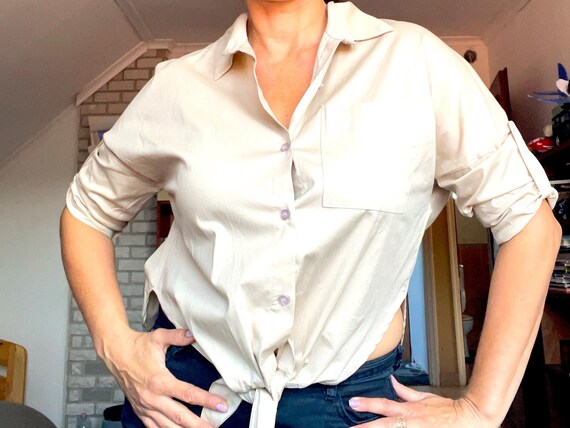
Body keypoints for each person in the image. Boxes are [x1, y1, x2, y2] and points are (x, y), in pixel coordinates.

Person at [60, 0, 561, 427]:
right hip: (186, 394)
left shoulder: (418, 64)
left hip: (354, 404)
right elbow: (86, 211)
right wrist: (115, 347)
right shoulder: (178, 87)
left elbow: (529, 221)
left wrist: (480, 409)